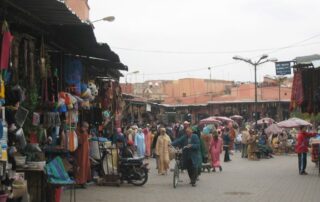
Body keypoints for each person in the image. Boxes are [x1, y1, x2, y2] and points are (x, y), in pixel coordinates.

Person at [75, 122, 91, 187]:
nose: (87, 129)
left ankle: (84, 181)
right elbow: (80, 142)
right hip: (81, 154)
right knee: (81, 167)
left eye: (87, 127)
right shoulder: (79, 133)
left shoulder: (85, 133)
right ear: (83, 127)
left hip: (85, 154)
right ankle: (80, 181)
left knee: (85, 166)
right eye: (86, 127)